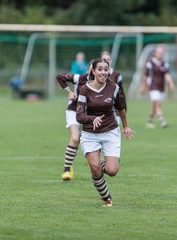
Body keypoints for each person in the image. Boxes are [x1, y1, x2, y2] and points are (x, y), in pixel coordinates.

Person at [76, 58, 134, 207]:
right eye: (100, 69)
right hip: (90, 133)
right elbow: (79, 116)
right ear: (93, 71)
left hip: (110, 131)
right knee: (95, 169)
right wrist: (92, 119)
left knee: (112, 170)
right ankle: (106, 197)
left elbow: (121, 108)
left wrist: (125, 126)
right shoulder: (84, 89)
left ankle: (98, 162)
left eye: (105, 69)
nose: (103, 72)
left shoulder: (114, 87)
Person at [56, 63, 92, 181]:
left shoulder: (105, 84)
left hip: (90, 115)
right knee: (75, 138)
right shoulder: (80, 78)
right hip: (74, 111)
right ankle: (66, 170)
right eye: (92, 69)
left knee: (86, 142)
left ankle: (97, 167)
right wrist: (68, 91)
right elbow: (60, 76)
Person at [140, 46, 174, 129]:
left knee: (156, 106)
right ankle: (162, 122)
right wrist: (143, 87)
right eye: (159, 52)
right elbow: (145, 76)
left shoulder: (164, 64)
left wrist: (171, 83)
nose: (160, 54)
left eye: (161, 53)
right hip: (153, 87)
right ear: (155, 53)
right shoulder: (150, 63)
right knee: (157, 103)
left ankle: (149, 121)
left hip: (161, 88)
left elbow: (167, 75)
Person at [100, 50, 127, 121]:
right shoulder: (95, 74)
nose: (106, 61)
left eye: (108, 60)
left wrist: (124, 107)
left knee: (114, 128)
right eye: (103, 60)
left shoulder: (117, 75)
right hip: (99, 107)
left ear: (111, 61)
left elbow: (121, 93)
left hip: (114, 108)